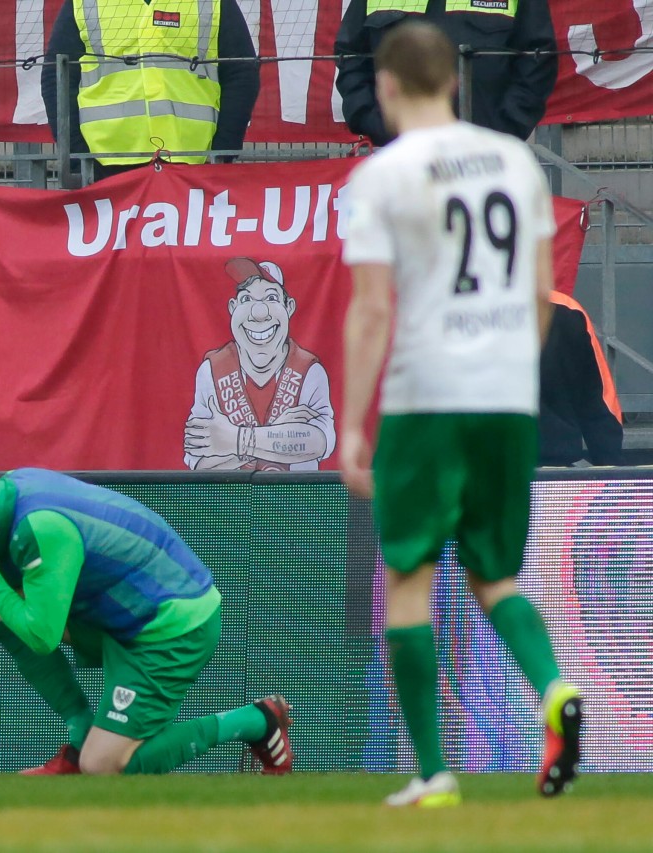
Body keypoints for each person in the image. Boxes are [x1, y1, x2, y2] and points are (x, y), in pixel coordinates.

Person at [339, 21, 582, 807]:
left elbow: (373, 309)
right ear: (455, 80)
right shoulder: (517, 162)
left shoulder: (383, 175)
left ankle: (434, 771)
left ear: (385, 86)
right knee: (494, 574)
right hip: (506, 396)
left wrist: (352, 426)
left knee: (407, 577)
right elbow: (540, 289)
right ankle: (551, 685)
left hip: (427, 394)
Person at [0, 468, 293, 777]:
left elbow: (41, 637)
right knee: (1, 613)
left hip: (172, 628)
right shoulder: (12, 488)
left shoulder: (40, 530)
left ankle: (257, 721)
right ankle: (80, 734)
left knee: (102, 766)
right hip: (127, 616)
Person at [41, 0, 260, 180]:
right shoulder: (84, 3)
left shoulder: (213, 3)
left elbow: (242, 74)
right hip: (104, 168)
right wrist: (79, 158)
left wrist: (221, 154)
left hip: (194, 164)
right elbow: (57, 78)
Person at [334, 0, 556, 148]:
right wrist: (374, 123)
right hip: (400, 152)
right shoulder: (385, 174)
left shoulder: (515, 167)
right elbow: (350, 55)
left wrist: (506, 128)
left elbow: (537, 56)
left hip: (486, 154)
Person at [184, 257, 335, 471]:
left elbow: (318, 442)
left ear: (288, 307)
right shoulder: (211, 371)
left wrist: (232, 439)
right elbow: (201, 466)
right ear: (232, 308)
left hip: (294, 502)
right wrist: (277, 435)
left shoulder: (309, 371)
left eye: (271, 298)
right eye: (246, 300)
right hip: (231, 503)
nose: (259, 312)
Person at [539, 290, 624, 467]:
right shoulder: (566, 310)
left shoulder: (567, 312)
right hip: (551, 469)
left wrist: (611, 471)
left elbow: (598, 399)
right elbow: (599, 401)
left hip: (551, 472)